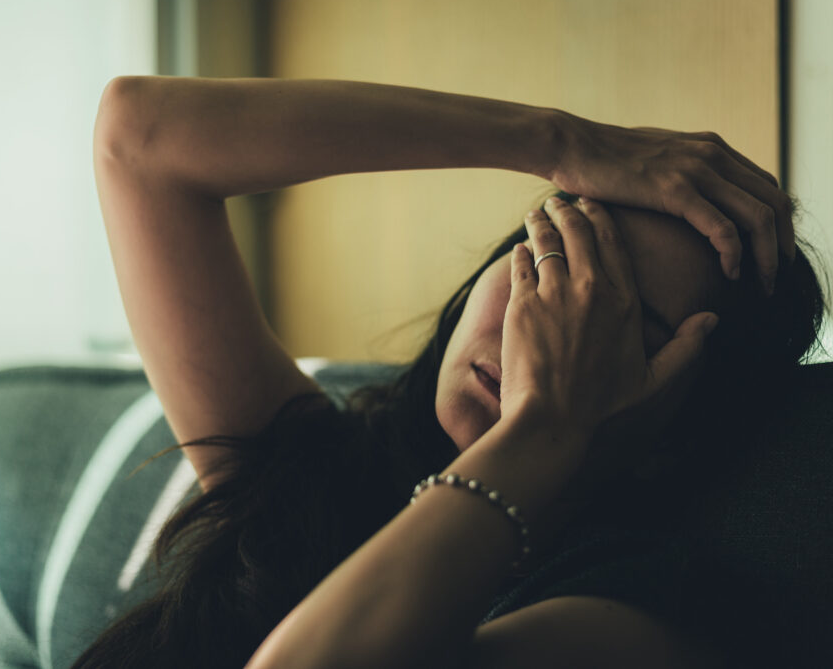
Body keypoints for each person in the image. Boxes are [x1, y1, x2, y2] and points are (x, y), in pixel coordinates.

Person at [80, 76, 829, 668]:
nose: (536, 325)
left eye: (618, 323)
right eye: (553, 258)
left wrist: (545, 427)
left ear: (687, 417)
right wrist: (558, 139)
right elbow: (137, 139)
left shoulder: (638, 616)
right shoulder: (321, 472)